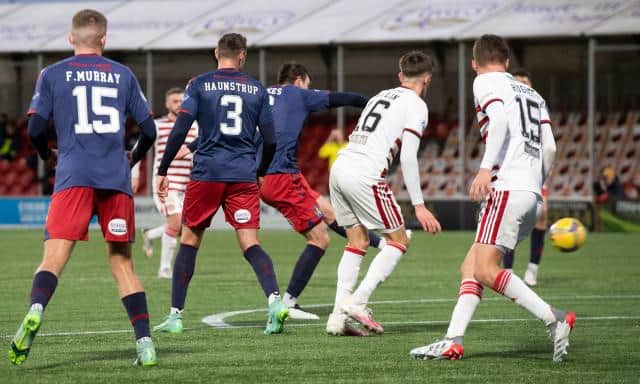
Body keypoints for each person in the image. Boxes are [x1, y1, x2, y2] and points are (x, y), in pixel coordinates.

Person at [410, 34, 574, 362]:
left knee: (485, 269)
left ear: (474, 63)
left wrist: (485, 170)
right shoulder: (533, 93)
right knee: (470, 266)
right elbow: (552, 147)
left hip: (506, 187)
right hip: (530, 191)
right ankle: (453, 340)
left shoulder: (484, 81)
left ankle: (553, 318)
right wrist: (536, 182)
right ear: (508, 62)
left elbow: (498, 121)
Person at [8, 9, 157, 366]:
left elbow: (34, 129)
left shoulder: (52, 74)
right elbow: (149, 131)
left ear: (71, 38)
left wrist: (48, 155)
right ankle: (146, 344)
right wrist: (132, 159)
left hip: (73, 175)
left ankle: (37, 308)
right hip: (114, 179)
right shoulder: (123, 74)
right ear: (104, 39)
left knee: (53, 258)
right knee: (122, 264)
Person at [153, 33, 288, 335]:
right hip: (242, 174)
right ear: (242, 56)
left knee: (189, 242)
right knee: (251, 244)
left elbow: (181, 130)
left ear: (217, 53)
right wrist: (260, 170)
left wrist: (163, 167)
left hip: (207, 174)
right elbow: (270, 139)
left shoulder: (199, 84)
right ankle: (275, 300)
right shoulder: (256, 88)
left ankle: (175, 316)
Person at [259, 63, 394, 323]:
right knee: (320, 239)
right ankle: (288, 302)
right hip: (281, 175)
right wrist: (373, 103)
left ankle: (382, 244)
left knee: (329, 211)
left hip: (272, 174)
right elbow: (341, 99)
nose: (310, 90)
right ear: (299, 80)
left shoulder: (262, 94)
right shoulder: (296, 93)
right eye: (308, 84)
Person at [327, 51, 442, 336]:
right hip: (366, 174)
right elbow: (409, 156)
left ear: (400, 75)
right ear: (428, 79)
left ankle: (337, 317)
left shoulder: (380, 96)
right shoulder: (417, 105)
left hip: (340, 167)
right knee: (399, 239)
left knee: (357, 240)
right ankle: (358, 302)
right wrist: (419, 206)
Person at [135, 88, 198, 278]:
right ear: (167, 104)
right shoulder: (156, 126)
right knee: (176, 222)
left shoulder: (195, 126)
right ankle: (164, 270)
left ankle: (150, 234)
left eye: (181, 101)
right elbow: (138, 149)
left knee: (184, 228)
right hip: (164, 184)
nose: (178, 104)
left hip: (187, 185)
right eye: (175, 101)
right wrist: (134, 174)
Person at [502, 68, 548, 286]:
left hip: (535, 169)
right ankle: (508, 270)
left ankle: (532, 270)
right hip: (511, 170)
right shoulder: (507, 106)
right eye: (517, 81)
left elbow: (548, 143)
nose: (521, 85)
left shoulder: (538, 105)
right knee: (510, 220)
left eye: (525, 82)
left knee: (542, 215)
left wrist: (545, 175)